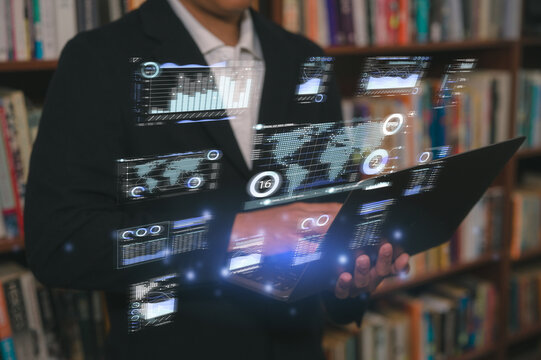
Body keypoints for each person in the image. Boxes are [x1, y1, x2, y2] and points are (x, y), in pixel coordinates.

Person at [24, 0, 409, 359]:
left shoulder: (305, 58)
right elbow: (60, 240)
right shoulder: (100, 58)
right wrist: (233, 234)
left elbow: (329, 221)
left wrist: (349, 278)